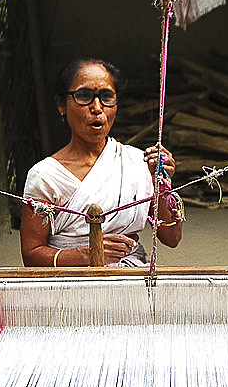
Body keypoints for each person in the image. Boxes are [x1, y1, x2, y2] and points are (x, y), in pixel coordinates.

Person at [20, 58, 182, 267]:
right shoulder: (45, 176)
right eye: (84, 96)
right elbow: (31, 256)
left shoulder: (137, 163)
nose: (97, 108)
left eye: (106, 97)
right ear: (62, 105)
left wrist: (160, 182)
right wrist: (86, 255)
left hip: (130, 281)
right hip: (70, 286)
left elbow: (172, 238)